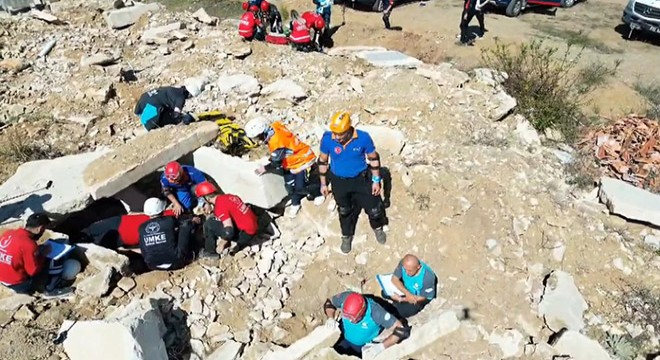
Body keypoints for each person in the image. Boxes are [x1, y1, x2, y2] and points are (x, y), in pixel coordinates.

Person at [317, 111, 388, 254]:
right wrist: (323, 183)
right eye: (334, 133)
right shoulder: (327, 139)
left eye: (340, 133)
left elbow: (374, 159)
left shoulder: (363, 138)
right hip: (339, 182)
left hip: (361, 180)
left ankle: (377, 228)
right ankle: (346, 235)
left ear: (349, 129)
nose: (336, 137)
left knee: (374, 209)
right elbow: (323, 161)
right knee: (344, 210)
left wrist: (376, 181)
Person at [245, 118, 323, 218]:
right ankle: (296, 203)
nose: (258, 140)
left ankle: (318, 192)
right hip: (290, 162)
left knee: (301, 187)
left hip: (301, 160)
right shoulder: (275, 127)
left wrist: (264, 168)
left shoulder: (277, 142)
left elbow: (275, 163)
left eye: (258, 137)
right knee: (290, 186)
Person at [0, 213, 78, 295]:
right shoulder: (29, 244)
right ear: (40, 228)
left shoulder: (8, 234)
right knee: (55, 258)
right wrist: (42, 255)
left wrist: (36, 252)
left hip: (2, 278)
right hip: (17, 284)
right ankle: (50, 289)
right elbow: (33, 271)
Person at [195, 182, 277, 257]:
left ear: (207, 198)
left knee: (209, 224)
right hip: (254, 227)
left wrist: (222, 244)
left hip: (245, 235)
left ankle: (210, 252)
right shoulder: (229, 196)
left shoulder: (220, 206)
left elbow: (229, 231)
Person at [324, 291, 408, 359]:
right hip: (343, 337)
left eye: (352, 318)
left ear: (362, 312)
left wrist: (381, 346)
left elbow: (401, 329)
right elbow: (329, 303)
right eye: (346, 316)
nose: (349, 320)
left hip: (360, 347)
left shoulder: (376, 312)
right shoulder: (346, 297)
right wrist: (330, 318)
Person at [138, 198, 198, 271]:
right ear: (161, 209)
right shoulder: (169, 220)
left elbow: (142, 248)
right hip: (176, 262)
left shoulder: (141, 227)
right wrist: (193, 220)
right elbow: (184, 221)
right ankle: (192, 253)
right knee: (186, 226)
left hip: (153, 265)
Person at [78, 209, 176, 250]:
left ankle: (77, 242)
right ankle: (76, 239)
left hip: (122, 235)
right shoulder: (166, 220)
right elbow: (173, 212)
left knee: (94, 243)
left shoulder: (167, 236)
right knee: (89, 232)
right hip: (122, 223)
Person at [384, 254, 437, 318]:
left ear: (418, 267)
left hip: (418, 298)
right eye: (405, 269)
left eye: (410, 270)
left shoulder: (427, 277)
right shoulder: (404, 263)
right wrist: (407, 293)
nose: (406, 272)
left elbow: (424, 297)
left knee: (398, 312)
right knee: (384, 292)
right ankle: (396, 302)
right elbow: (394, 279)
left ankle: (397, 304)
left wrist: (401, 299)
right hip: (407, 290)